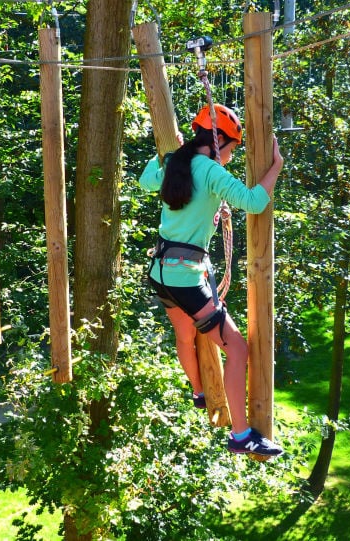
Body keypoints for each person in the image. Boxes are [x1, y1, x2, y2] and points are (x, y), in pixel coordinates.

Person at [139, 104, 285, 457]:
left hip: (161, 273)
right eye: (232, 146)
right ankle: (241, 434)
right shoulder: (210, 170)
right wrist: (276, 167)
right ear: (218, 139)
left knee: (185, 335)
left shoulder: (177, 163)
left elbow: (146, 181)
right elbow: (252, 202)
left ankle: (199, 392)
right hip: (185, 278)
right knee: (237, 349)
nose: (231, 154)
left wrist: (166, 155)